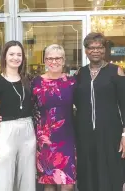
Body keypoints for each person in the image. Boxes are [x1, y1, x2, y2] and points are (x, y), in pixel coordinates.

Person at [74, 32, 125, 191]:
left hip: (110, 134)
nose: (95, 51)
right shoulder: (80, 74)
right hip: (85, 135)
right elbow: (73, 102)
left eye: (99, 47)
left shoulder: (115, 72)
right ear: (86, 51)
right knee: (88, 173)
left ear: (104, 50)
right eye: (91, 47)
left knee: (110, 173)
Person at [0, 40, 36, 191]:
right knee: (3, 178)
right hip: (6, 131)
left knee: (27, 179)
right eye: (12, 54)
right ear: (5, 57)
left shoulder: (28, 80)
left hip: (28, 130)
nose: (16, 58)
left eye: (19, 54)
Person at [31, 44, 76, 191]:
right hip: (45, 138)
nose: (54, 61)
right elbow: (26, 106)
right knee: (48, 181)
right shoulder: (36, 82)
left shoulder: (72, 82)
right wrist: (2, 115)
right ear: (45, 61)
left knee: (68, 183)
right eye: (50, 58)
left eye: (58, 58)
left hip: (67, 136)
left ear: (63, 61)